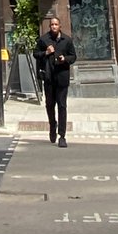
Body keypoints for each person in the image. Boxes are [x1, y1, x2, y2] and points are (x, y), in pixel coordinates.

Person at [34, 15, 77, 147]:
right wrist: (46, 53)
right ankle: (53, 125)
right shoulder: (44, 40)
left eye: (56, 24)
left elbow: (73, 56)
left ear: (60, 26)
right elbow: (36, 54)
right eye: (52, 24)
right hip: (49, 78)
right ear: (49, 26)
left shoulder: (67, 40)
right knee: (49, 105)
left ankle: (62, 136)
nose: (53, 26)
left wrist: (65, 59)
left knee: (62, 106)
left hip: (62, 77)